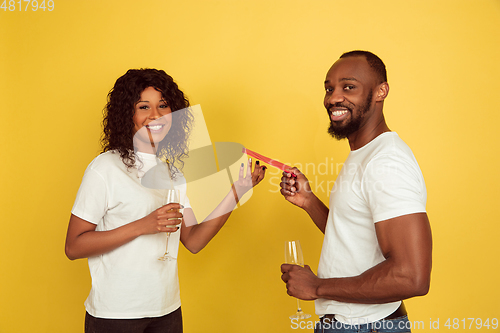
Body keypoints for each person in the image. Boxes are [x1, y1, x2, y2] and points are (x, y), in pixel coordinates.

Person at [65, 68, 266, 333]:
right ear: (128, 114)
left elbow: (193, 240)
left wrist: (237, 193)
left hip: (167, 310)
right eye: (143, 106)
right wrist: (144, 225)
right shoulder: (105, 168)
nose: (156, 115)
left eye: (163, 105)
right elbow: (74, 247)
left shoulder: (173, 174)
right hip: (116, 314)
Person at [280, 51, 432, 333]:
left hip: (366, 326)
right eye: (329, 88)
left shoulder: (387, 161)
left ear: (380, 91)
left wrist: (316, 287)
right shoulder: (364, 154)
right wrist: (309, 201)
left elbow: (412, 276)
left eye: (348, 87)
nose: (333, 98)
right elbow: (355, 238)